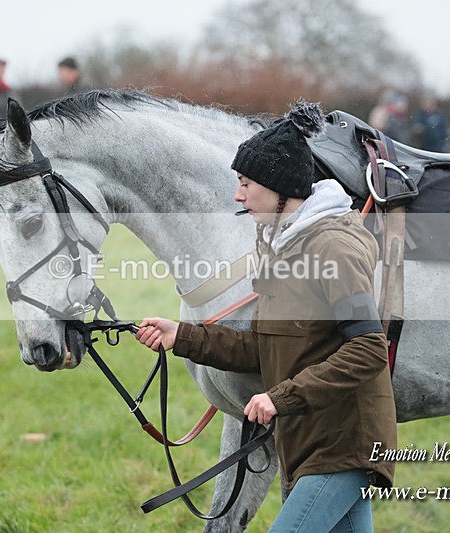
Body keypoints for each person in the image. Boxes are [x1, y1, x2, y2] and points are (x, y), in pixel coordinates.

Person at [135, 102, 396, 531]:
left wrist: (280, 398)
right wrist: (180, 335)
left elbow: (368, 349)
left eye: (246, 183)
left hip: (342, 446)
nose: (237, 196)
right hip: (310, 444)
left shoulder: (334, 248)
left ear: (280, 187)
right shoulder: (283, 248)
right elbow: (262, 347)